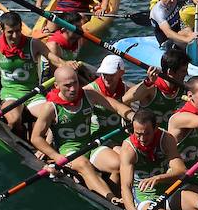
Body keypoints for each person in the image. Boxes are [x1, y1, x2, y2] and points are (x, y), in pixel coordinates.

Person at [29, 65, 131, 198]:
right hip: (69, 151)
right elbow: (36, 138)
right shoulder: (50, 107)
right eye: (67, 85)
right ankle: (111, 198)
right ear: (56, 85)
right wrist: (56, 156)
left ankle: (118, 201)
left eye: (75, 83)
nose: (73, 89)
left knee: (118, 164)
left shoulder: (88, 95)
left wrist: (132, 116)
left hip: (90, 144)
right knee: (84, 164)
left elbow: (115, 106)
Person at [0, 12, 62, 128]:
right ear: (2, 29)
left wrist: (66, 64)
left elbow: (54, 59)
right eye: (10, 32)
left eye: (18, 31)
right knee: (15, 120)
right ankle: (20, 141)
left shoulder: (33, 44)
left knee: (54, 118)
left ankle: (39, 142)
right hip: (10, 93)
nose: (15, 36)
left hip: (33, 93)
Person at [117, 109, 188, 210]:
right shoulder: (128, 148)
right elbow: (125, 186)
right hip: (144, 195)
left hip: (168, 189)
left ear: (156, 129)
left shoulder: (166, 139)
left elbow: (181, 171)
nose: (142, 139)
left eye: (147, 133)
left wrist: (159, 178)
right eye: (138, 134)